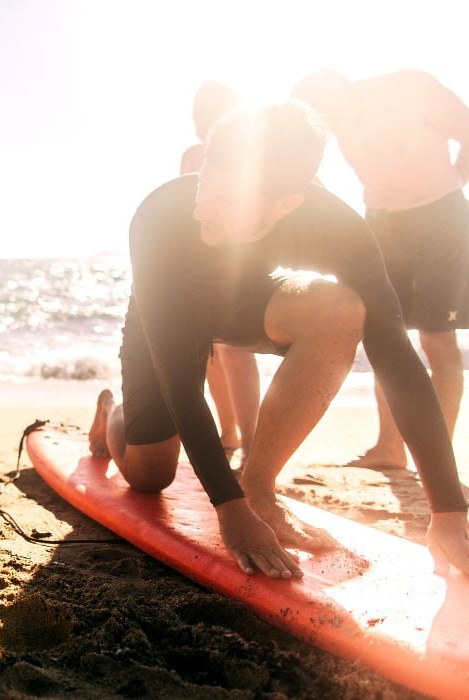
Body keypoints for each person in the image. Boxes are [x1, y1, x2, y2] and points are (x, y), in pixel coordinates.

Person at [88, 103, 469, 579]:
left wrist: (448, 513)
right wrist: (228, 509)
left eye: (227, 201)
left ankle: (261, 486)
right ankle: (112, 418)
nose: (202, 208)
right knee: (150, 476)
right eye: (205, 183)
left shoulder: (340, 229)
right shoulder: (161, 216)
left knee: (342, 310)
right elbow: (181, 382)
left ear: (286, 204)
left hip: (242, 297)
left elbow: (397, 358)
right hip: (164, 311)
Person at [293, 70, 469, 470]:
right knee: (385, 333)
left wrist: (456, 180)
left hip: (441, 218)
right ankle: (389, 447)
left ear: (342, 86)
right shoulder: (331, 124)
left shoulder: (409, 86)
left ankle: (436, 458)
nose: (325, 121)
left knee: (437, 338)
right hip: (383, 223)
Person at [179, 81, 260, 462]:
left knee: (237, 351)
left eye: (216, 112)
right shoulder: (193, 155)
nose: (208, 121)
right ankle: (228, 433)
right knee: (210, 352)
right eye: (203, 114)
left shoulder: (255, 155)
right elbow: (186, 209)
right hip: (203, 266)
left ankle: (253, 442)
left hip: (242, 264)